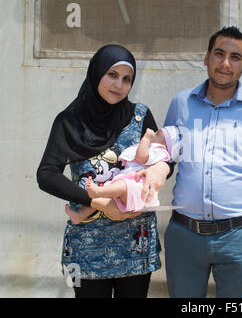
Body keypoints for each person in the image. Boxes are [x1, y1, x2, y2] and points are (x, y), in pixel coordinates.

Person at [36, 45, 171, 298]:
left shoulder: (140, 116)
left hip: (135, 246)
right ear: (96, 73)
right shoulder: (69, 121)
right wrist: (96, 200)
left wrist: (162, 168)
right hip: (85, 250)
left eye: (126, 79)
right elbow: (46, 174)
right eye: (112, 74)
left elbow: (163, 158)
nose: (118, 85)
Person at [163, 26, 242, 298]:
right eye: (219, 54)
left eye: (235, 57)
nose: (225, 64)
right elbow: (165, 160)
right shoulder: (181, 103)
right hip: (184, 235)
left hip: (237, 237)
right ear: (206, 58)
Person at [64, 126, 180, 224]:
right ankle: (79, 215)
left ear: (166, 144)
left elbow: (141, 157)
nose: (154, 134)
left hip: (137, 187)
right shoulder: (157, 149)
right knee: (102, 200)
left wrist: (146, 138)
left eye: (158, 134)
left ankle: (98, 191)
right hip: (131, 185)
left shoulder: (159, 151)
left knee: (117, 188)